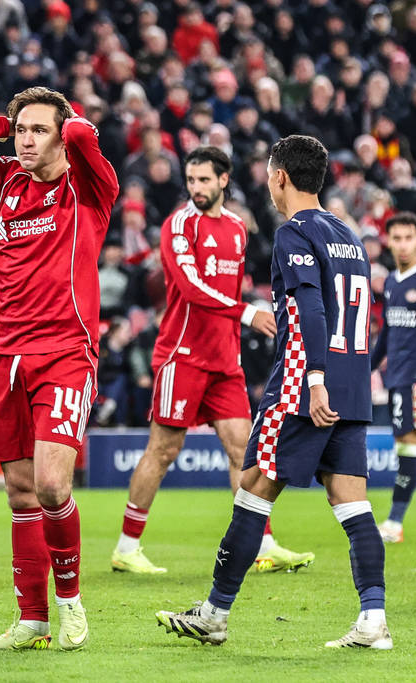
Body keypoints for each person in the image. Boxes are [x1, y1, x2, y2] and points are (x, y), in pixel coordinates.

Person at [157, 135, 391, 649]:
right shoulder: (349, 235)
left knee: (253, 490)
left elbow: (311, 308)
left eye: (268, 174)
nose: (267, 182)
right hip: (351, 386)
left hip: (304, 387)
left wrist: (314, 380)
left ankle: (214, 614)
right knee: (352, 503)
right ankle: (374, 620)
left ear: (280, 176)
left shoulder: (294, 233)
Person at [0, 86, 120, 651]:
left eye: (39, 131)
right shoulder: (5, 182)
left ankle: (70, 603)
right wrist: (8, 120)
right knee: (20, 492)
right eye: (21, 132)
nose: (25, 141)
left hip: (64, 352)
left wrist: (62, 123)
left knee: (51, 484)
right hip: (4, 354)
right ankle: (32, 619)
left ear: (62, 136)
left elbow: (84, 134)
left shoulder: (88, 188)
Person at [111, 147, 314, 575]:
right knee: (163, 450)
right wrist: (247, 312)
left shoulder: (237, 228)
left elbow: (229, 290)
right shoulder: (179, 225)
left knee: (244, 449)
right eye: (191, 180)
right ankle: (127, 547)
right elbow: (190, 287)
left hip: (224, 360)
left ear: (224, 180)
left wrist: (248, 316)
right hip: (182, 355)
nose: (196, 188)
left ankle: (262, 544)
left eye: (204, 180)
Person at [369, 211, 416, 543]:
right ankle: (394, 522)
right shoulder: (393, 282)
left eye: (409, 237)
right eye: (397, 238)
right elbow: (387, 334)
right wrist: (367, 367)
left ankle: (394, 523)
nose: (403, 245)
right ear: (388, 241)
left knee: (408, 444)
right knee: (408, 448)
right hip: (397, 374)